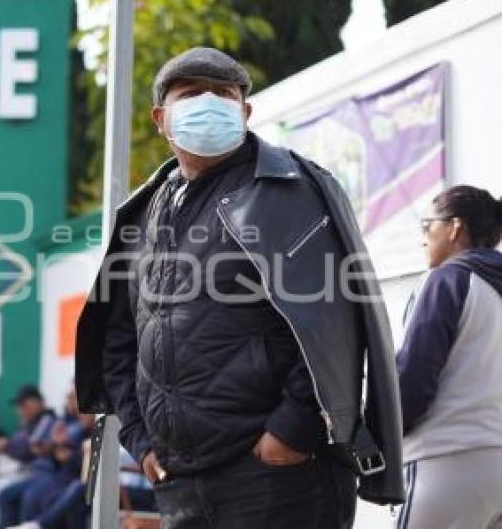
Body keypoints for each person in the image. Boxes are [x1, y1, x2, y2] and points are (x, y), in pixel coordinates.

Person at [75, 47, 405, 528]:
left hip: (276, 477)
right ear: (161, 118)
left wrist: (292, 431)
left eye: (224, 93)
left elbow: (333, 318)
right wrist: (142, 444)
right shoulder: (145, 211)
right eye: (192, 93)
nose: (209, 103)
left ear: (245, 111)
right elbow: (120, 338)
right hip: (179, 481)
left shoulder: (289, 188)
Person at [396, 185, 502, 529]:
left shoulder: (447, 279)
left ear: (455, 227)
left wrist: (382, 435)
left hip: (445, 459)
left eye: (427, 225)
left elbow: (413, 375)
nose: (423, 237)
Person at [3, 387, 93, 529]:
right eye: (69, 398)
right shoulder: (72, 425)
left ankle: (36, 525)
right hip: (56, 475)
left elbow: (87, 467)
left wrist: (64, 454)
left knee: (35, 493)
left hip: (70, 480)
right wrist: (59, 450)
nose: (72, 403)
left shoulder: (55, 421)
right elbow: (59, 456)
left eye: (73, 397)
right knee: (9, 493)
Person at [0, 385, 56, 529]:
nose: (20, 409)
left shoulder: (47, 419)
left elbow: (30, 449)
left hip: (36, 472)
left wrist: (6, 445)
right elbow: (21, 446)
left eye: (24, 405)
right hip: (18, 470)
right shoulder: (27, 424)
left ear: (37, 402)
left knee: (1, 493)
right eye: (19, 406)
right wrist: (6, 445)